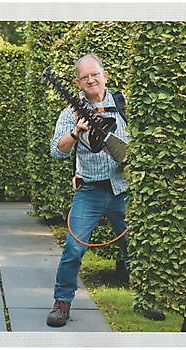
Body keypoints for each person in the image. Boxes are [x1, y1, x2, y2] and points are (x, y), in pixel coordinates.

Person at [46, 53, 130, 327]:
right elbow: (56, 150)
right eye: (84, 77)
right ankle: (62, 303)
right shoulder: (71, 112)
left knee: (136, 248)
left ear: (105, 75)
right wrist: (75, 133)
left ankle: (148, 300)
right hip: (90, 191)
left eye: (95, 74)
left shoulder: (123, 104)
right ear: (77, 83)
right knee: (73, 248)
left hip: (124, 189)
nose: (91, 80)